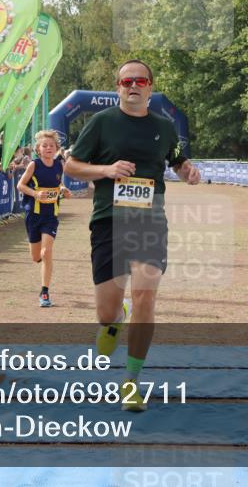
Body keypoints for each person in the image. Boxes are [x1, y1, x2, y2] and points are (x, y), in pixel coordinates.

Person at [64, 59, 200, 412]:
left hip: (150, 221)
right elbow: (71, 166)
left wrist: (188, 171)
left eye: (140, 80)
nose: (133, 86)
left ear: (151, 87)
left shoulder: (164, 126)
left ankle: (132, 382)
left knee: (145, 297)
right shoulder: (101, 123)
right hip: (109, 220)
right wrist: (106, 169)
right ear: (118, 87)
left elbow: (176, 160)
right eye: (127, 81)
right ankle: (114, 322)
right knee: (106, 312)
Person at [17, 130, 72, 308]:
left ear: (57, 148)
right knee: (36, 257)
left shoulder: (59, 165)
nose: (48, 148)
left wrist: (63, 190)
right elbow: (20, 185)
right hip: (33, 215)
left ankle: (45, 291)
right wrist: (35, 193)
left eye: (51, 146)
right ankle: (42, 262)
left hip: (51, 215)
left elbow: (59, 183)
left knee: (46, 252)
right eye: (44, 146)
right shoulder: (34, 165)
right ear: (38, 149)